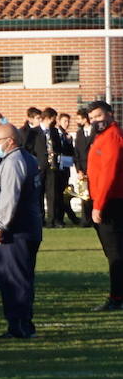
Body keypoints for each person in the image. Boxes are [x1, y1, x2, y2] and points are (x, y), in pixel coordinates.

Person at [0, 124, 42, 338]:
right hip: (29, 226)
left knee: (14, 279)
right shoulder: (29, 158)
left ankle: (19, 326)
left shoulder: (14, 162)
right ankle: (24, 323)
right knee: (23, 277)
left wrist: (0, 225)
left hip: (16, 230)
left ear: (11, 141)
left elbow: (9, 197)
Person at [85, 100, 123, 311]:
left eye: (99, 116)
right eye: (92, 118)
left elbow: (109, 174)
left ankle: (116, 297)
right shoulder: (102, 136)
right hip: (106, 199)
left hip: (111, 202)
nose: (95, 121)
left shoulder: (112, 137)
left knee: (115, 252)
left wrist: (98, 205)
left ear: (109, 114)